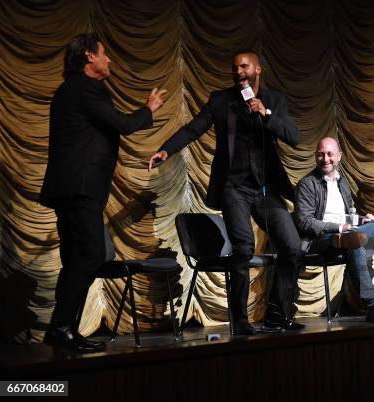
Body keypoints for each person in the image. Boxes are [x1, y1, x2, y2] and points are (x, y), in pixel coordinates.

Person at [148, 49, 303, 335]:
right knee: (243, 248)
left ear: (258, 70)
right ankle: (240, 320)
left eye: (244, 67)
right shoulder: (221, 100)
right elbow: (194, 128)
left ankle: (277, 315)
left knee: (292, 248)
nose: (238, 72)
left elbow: (293, 136)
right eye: (235, 68)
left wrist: (265, 113)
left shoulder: (275, 100)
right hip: (235, 188)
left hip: (266, 189)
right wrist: (166, 150)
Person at [40, 33, 166, 352]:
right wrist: (149, 109)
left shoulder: (67, 91)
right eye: (103, 54)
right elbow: (122, 124)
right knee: (91, 255)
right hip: (81, 187)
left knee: (74, 259)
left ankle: (64, 329)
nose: (108, 59)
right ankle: (62, 327)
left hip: (67, 187)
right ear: (87, 56)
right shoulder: (87, 88)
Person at [294, 137, 374, 322]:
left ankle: (350, 237)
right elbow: (305, 222)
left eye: (330, 154)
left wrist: (363, 220)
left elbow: (348, 215)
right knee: (355, 245)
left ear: (338, 157)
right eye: (321, 154)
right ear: (316, 156)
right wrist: (339, 227)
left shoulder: (342, 183)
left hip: (347, 233)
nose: (325, 158)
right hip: (320, 239)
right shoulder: (308, 184)